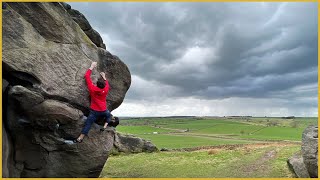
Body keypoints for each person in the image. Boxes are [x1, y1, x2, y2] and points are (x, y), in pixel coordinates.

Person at [74, 62, 111, 143]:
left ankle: (80, 138)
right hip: (104, 110)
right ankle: (105, 126)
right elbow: (107, 84)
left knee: (88, 123)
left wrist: (92, 66)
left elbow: (87, 77)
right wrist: (104, 77)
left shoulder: (93, 89)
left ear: (96, 85)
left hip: (94, 112)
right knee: (108, 116)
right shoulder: (106, 90)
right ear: (103, 86)